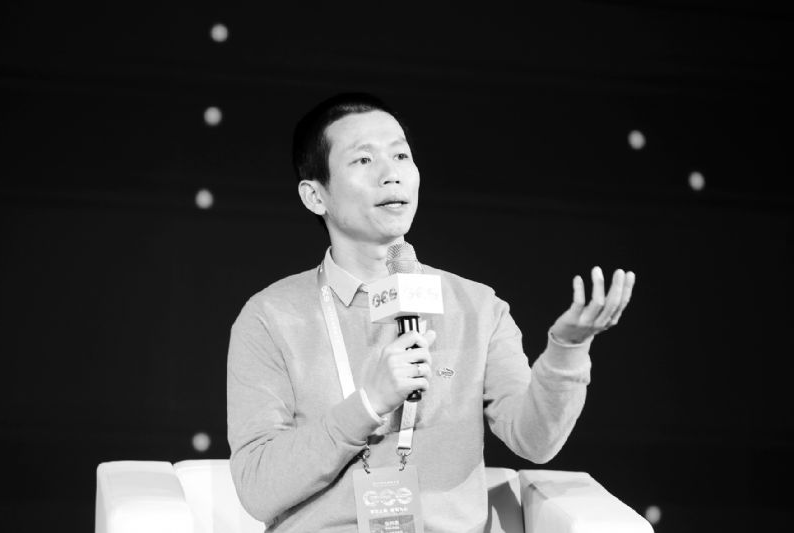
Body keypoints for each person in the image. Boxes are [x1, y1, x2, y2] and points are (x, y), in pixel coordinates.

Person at [227, 93, 635, 532]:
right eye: (363, 160)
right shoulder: (271, 316)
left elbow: (534, 441)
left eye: (401, 155)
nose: (391, 174)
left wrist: (567, 350)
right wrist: (368, 403)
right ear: (315, 195)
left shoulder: (476, 306)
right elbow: (258, 488)